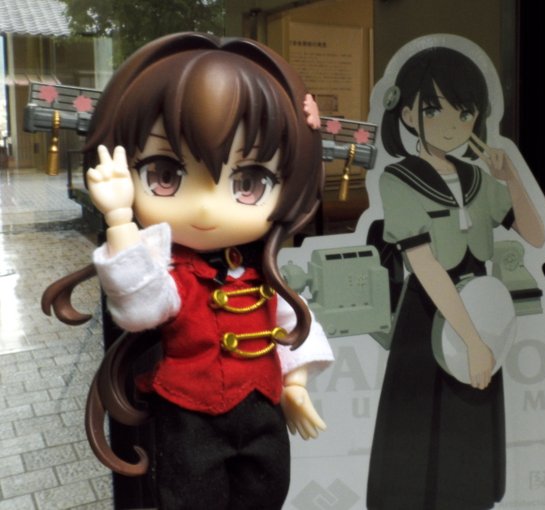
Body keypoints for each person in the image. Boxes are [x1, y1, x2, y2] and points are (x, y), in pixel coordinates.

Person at [42, 32, 333, 510]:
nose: (205, 207)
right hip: (190, 417)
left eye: (249, 182)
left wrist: (295, 384)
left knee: (266, 492)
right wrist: (119, 219)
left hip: (263, 410)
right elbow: (139, 308)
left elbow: (294, 323)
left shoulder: (261, 274)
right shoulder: (172, 273)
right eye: (165, 176)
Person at [367, 45, 545, 509]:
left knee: (469, 437)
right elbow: (424, 265)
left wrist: (510, 178)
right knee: (420, 439)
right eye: (433, 109)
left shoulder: (478, 178)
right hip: (429, 311)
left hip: (483, 308)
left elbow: (536, 234)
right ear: (408, 114)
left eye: (464, 112)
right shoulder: (398, 179)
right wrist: (473, 342)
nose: (451, 124)